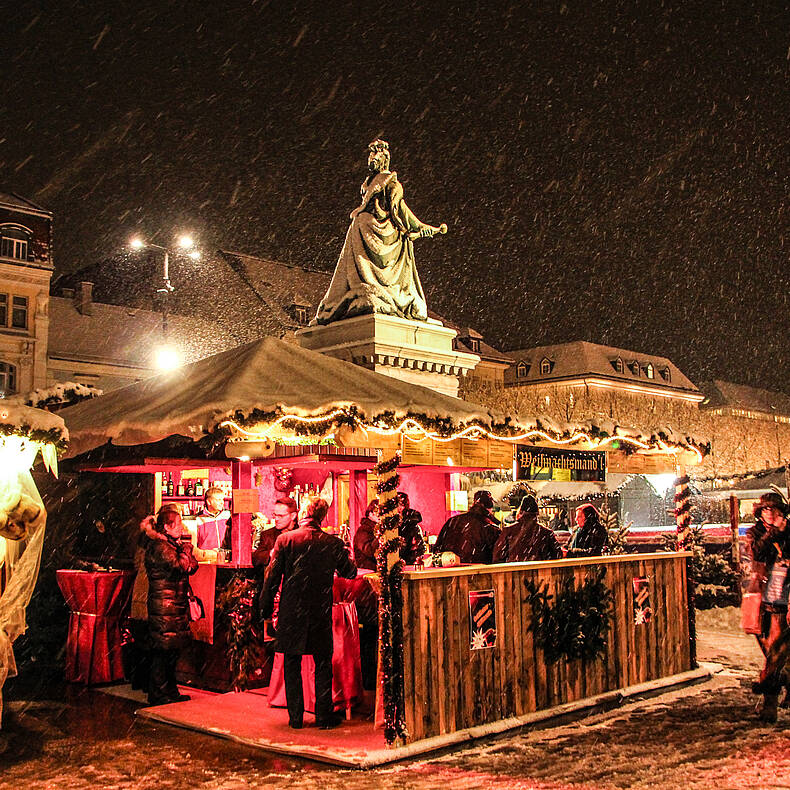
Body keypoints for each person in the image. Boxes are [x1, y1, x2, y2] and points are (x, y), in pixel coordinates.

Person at [313, 139, 446, 325]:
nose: (371, 159)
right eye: (370, 156)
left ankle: (374, 287)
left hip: (385, 230)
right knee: (359, 223)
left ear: (383, 160)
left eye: (374, 156)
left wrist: (422, 228)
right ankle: (361, 285)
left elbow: (400, 211)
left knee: (360, 222)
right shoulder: (368, 184)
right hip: (367, 226)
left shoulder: (392, 185)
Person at [259, 496, 357, 729]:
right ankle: (323, 716)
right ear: (322, 517)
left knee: (291, 663)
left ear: (302, 514)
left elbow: (271, 579)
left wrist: (264, 611)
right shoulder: (332, 543)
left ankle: (295, 717)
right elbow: (350, 572)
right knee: (322, 663)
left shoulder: (285, 540)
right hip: (319, 610)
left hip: (292, 610)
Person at [141, 505, 198, 705]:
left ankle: (170, 691)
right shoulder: (160, 547)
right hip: (164, 606)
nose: (182, 528)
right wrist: (187, 548)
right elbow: (181, 566)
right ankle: (158, 693)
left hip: (173, 605)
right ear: (167, 526)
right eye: (179, 524)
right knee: (163, 651)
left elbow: (192, 567)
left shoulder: (171, 545)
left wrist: (186, 552)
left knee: (171, 651)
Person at [747, 492, 790, 722]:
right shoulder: (757, 533)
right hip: (767, 601)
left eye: (775, 510)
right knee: (773, 653)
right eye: (767, 510)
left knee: (777, 655)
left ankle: (769, 706)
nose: (771, 514)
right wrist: (774, 532)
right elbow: (756, 552)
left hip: (786, 596)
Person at [434, 490, 500, 564]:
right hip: (477, 571)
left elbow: (437, 548)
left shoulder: (453, 521)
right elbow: (498, 557)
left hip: (450, 570)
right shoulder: (490, 527)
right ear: (490, 507)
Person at [493, 495, 563, 563]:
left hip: (513, 572)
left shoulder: (508, 531)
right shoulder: (545, 533)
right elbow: (557, 555)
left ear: (520, 512)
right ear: (537, 513)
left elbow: (498, 556)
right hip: (539, 572)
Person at [252, 496, 298, 571]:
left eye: (280, 516)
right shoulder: (267, 535)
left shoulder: (303, 534)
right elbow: (256, 558)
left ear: (293, 516)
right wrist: (271, 553)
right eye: (275, 515)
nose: (276, 519)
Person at [189, 486, 231, 561]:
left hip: (225, 559)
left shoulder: (228, 515)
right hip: (206, 560)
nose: (222, 502)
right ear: (209, 502)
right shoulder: (197, 519)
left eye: (222, 499)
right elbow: (193, 546)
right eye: (218, 500)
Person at [396, 492, 425, 565]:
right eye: (397, 505)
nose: (399, 508)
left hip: (409, 562)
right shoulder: (393, 524)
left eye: (401, 505)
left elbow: (418, 547)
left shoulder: (413, 526)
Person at [353, 499, 379, 571]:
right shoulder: (363, 530)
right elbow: (369, 551)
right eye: (376, 511)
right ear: (370, 514)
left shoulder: (375, 529)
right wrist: (380, 536)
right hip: (368, 572)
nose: (380, 515)